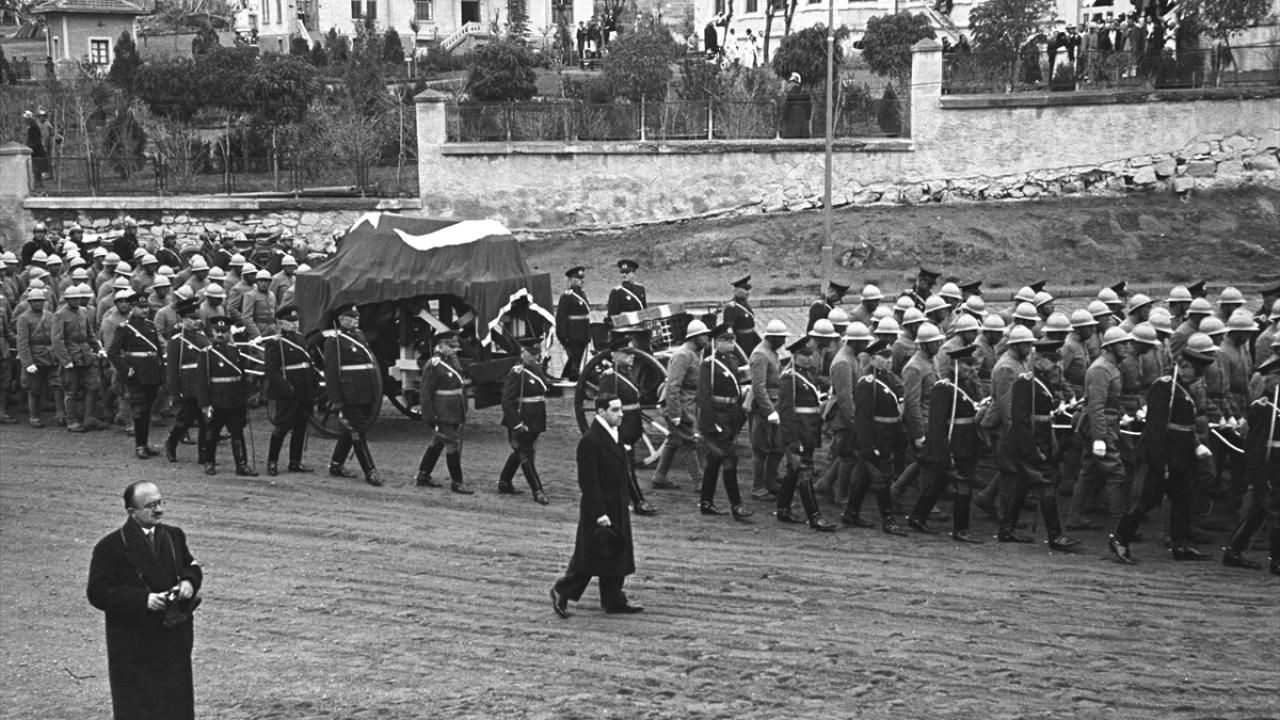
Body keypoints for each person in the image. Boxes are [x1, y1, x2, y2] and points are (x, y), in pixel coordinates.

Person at [87, 481, 202, 720]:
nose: (159, 510)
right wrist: (143, 600)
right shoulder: (111, 547)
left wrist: (189, 582)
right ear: (132, 512)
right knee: (139, 708)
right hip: (134, 644)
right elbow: (97, 592)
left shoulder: (173, 536)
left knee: (176, 706)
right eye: (150, 506)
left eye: (160, 503)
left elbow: (190, 565)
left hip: (173, 636)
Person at [1109, 333, 1218, 564]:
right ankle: (1120, 539)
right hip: (1162, 457)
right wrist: (1161, 463)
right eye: (1191, 369)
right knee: (1146, 501)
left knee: (1182, 500)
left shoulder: (1182, 389)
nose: (1194, 375)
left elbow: (1186, 427)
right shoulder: (1164, 387)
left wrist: (1195, 447)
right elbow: (1156, 429)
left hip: (1180, 457)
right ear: (1181, 366)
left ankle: (1180, 544)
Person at [550, 395, 644, 618]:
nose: (621, 414)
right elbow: (589, 483)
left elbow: (623, 472)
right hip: (599, 509)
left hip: (617, 504)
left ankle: (614, 599)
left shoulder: (613, 434)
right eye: (615, 410)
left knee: (616, 553)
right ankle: (560, 591)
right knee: (590, 559)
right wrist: (600, 513)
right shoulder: (590, 441)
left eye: (621, 409)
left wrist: (634, 499)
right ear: (600, 412)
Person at [774, 335, 837, 531]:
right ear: (796, 356)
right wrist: (793, 440)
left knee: (793, 472)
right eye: (806, 355)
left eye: (811, 355)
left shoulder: (805, 374)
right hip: (798, 431)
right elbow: (786, 411)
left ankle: (783, 508)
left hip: (808, 429)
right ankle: (814, 516)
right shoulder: (789, 378)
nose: (810, 358)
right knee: (804, 471)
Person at [597, 333, 657, 516]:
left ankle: (624, 499)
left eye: (631, 353)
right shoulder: (610, 378)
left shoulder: (627, 372)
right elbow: (606, 406)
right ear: (614, 355)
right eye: (626, 353)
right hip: (620, 428)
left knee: (623, 467)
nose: (631, 356)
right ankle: (638, 502)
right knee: (627, 467)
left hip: (631, 426)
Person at [697, 323, 752, 519]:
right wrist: (713, 423)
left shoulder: (733, 361)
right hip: (717, 416)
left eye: (732, 340)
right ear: (716, 342)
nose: (731, 344)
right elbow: (703, 398)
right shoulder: (708, 365)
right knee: (729, 459)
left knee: (714, 461)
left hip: (730, 415)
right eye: (726, 340)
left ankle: (706, 501)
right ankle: (736, 505)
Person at [325, 304, 383, 486]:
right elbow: (331, 373)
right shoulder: (334, 341)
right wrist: (335, 399)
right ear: (341, 319)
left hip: (365, 390)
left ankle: (336, 464)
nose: (356, 320)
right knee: (358, 431)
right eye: (351, 317)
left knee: (351, 430)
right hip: (349, 392)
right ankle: (370, 471)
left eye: (356, 317)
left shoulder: (359, 335)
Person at [649, 319, 708, 490]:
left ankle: (659, 477)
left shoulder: (695, 353)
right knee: (689, 441)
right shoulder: (683, 355)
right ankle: (699, 482)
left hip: (686, 402)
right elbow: (673, 387)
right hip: (676, 404)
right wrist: (675, 414)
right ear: (694, 338)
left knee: (674, 439)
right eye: (703, 336)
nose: (706, 339)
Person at [198, 316, 257, 476]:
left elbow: (242, 375)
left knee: (237, 432)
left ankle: (242, 464)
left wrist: (246, 396)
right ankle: (209, 462)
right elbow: (202, 381)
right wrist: (204, 404)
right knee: (212, 433)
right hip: (216, 399)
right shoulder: (206, 354)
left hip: (235, 399)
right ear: (212, 332)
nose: (220, 335)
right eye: (218, 331)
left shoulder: (235, 351)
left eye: (224, 332)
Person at [109, 292, 165, 459]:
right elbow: (113, 352)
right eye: (140, 307)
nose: (144, 310)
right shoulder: (125, 327)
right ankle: (140, 445)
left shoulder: (150, 325)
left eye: (146, 306)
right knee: (140, 410)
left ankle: (146, 443)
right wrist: (126, 369)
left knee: (148, 409)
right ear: (132, 308)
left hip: (152, 372)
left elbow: (157, 350)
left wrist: (161, 370)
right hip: (137, 374)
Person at [414, 329, 472, 493]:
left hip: (454, 409)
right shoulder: (434, 365)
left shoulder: (452, 362)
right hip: (443, 411)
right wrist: (430, 417)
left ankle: (423, 475)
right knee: (453, 444)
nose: (455, 350)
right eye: (451, 347)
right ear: (441, 346)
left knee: (439, 441)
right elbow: (425, 394)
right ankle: (457, 482)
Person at [263, 305, 316, 476]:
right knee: (282, 428)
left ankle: (295, 461)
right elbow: (271, 371)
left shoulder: (301, 339)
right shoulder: (274, 343)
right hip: (288, 390)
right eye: (289, 321)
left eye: (296, 321)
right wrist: (286, 388)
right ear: (280, 323)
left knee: (300, 427)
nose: (294, 324)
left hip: (304, 390)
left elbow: (308, 365)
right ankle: (272, 462)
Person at [499, 338, 552, 504]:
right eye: (531, 353)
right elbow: (507, 401)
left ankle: (504, 481)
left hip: (536, 417)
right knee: (526, 454)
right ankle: (537, 490)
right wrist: (516, 424)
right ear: (524, 353)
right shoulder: (517, 372)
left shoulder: (536, 369)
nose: (534, 356)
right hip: (522, 419)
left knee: (521, 451)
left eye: (536, 353)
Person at [52, 282, 105, 432]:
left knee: (93, 386)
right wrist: (66, 360)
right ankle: (72, 421)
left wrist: (98, 349)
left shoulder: (84, 312)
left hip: (86, 355)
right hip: (71, 356)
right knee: (71, 390)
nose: (76, 301)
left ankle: (89, 418)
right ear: (67, 299)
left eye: (78, 298)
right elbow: (57, 340)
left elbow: (90, 334)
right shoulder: (60, 315)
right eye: (73, 299)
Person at [164, 298, 209, 465]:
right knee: (185, 421)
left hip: (202, 386)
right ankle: (171, 443)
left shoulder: (202, 339)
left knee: (206, 421)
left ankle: (204, 454)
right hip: (187, 386)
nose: (195, 322)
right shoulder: (177, 341)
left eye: (197, 318)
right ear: (182, 320)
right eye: (191, 319)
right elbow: (172, 369)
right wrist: (176, 391)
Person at [747, 319, 788, 500]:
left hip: (775, 405)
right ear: (771, 337)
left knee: (778, 446)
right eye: (781, 338)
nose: (784, 342)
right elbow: (758, 387)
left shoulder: (771, 352)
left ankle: (770, 482)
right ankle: (758, 488)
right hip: (765, 409)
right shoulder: (761, 355)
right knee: (761, 449)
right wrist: (769, 410)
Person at [16, 287, 56, 427]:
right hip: (34, 355)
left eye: (40, 301)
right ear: (29, 303)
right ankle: (34, 416)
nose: (38, 304)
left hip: (49, 355)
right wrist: (28, 363)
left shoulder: (50, 316)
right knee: (34, 389)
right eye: (34, 301)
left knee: (56, 385)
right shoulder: (24, 318)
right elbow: (22, 342)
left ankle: (61, 415)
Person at [555, 266, 591, 382]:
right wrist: (564, 338)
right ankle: (569, 379)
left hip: (582, 334)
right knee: (574, 359)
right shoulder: (567, 296)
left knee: (576, 359)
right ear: (571, 280)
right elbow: (560, 319)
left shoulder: (582, 294)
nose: (581, 281)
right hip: (572, 335)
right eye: (578, 278)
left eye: (581, 278)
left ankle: (567, 378)